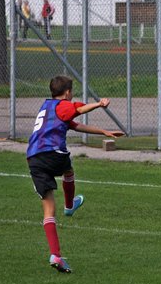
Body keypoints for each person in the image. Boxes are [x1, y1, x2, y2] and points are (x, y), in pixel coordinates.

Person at [27, 75, 125, 273]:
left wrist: (104, 132)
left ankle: (55, 255)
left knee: (48, 210)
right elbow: (79, 110)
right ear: (68, 92)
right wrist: (99, 104)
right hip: (51, 153)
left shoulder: (46, 107)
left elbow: (75, 125)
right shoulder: (62, 106)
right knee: (68, 170)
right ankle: (70, 206)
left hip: (33, 159)